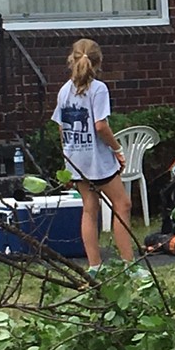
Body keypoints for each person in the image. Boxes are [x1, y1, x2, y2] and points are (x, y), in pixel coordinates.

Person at [51, 38, 142, 278]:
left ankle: (94, 267)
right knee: (122, 205)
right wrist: (117, 150)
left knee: (89, 209)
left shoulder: (64, 90)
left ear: (72, 59)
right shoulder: (98, 89)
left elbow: (61, 128)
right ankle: (129, 265)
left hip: (76, 159)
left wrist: (68, 160)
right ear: (98, 62)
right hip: (97, 159)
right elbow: (100, 126)